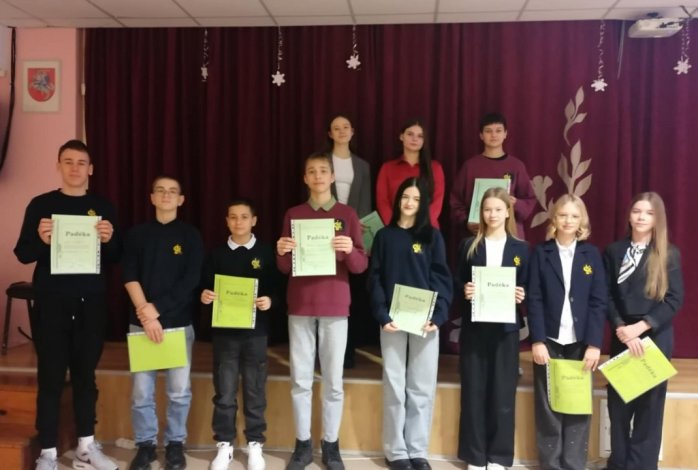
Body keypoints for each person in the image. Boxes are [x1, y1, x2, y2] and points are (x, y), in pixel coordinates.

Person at [14, 139, 120, 470]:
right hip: (52, 302)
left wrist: (109, 240)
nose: (75, 168)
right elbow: (23, 253)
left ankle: (86, 446)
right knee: (50, 377)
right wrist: (42, 239)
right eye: (68, 161)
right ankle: (47, 452)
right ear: (58, 166)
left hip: (91, 303)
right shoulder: (41, 205)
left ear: (91, 169)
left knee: (86, 376)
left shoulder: (103, 207)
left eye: (81, 162)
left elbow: (116, 257)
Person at [276, 152, 368, 470]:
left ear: (332, 177)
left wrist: (349, 251)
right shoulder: (294, 214)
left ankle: (331, 445)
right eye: (312, 171)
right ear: (305, 178)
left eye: (323, 171)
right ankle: (302, 444)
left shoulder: (347, 214)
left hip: (335, 306)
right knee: (300, 380)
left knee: (333, 381)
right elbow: (284, 266)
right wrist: (281, 250)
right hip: (301, 305)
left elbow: (360, 265)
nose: (317, 176)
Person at [368, 177, 453, 470]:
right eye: (406, 197)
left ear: (423, 204)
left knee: (421, 386)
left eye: (416, 199)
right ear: (398, 200)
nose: (409, 203)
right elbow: (375, 279)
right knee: (394, 385)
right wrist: (382, 314)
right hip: (392, 321)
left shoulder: (432, 237)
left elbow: (441, 277)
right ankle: (396, 451)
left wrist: (437, 316)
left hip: (425, 323)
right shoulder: (384, 236)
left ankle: (417, 449)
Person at [122, 176, 204, 470]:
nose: (166, 195)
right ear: (152, 197)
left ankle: (174, 445)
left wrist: (157, 310)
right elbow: (129, 275)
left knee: (179, 392)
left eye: (172, 191)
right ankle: (145, 446)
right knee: (141, 393)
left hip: (178, 324)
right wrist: (146, 314)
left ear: (181, 200)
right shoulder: (137, 234)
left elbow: (191, 280)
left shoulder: (191, 235)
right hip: (141, 324)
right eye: (160, 190)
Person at [603, 192, 684, 470]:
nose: (641, 217)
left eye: (649, 213)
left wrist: (642, 326)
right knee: (619, 407)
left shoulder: (668, 254)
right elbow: (606, 296)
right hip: (623, 335)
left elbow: (674, 299)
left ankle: (642, 466)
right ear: (629, 215)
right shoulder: (614, 251)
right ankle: (618, 464)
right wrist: (620, 327)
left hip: (654, 337)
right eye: (637, 211)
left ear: (657, 218)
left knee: (649, 409)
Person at [527, 194, 606, 470]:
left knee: (577, 402)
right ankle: (550, 464)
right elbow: (534, 298)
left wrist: (594, 344)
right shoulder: (541, 253)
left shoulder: (591, 255)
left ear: (582, 220)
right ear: (554, 219)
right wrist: (537, 340)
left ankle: (573, 464)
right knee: (548, 404)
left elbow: (598, 301)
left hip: (580, 341)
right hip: (549, 340)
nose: (568, 221)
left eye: (574, 216)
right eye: (563, 215)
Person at [201, 198, 279, 470]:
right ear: (226, 221)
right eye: (233, 217)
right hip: (225, 334)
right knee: (224, 391)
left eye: (244, 217)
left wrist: (271, 300)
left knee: (255, 389)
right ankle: (225, 443)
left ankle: (255, 442)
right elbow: (204, 286)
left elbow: (277, 287)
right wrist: (205, 295)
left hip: (256, 333)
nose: (238, 222)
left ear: (254, 220)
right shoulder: (217, 254)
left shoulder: (266, 252)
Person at [456, 187, 528, 470]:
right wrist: (465, 289)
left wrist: (521, 294)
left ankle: (498, 457)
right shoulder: (469, 246)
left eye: (498, 209)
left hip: (506, 331)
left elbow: (529, 286)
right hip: (475, 328)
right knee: (473, 391)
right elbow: (456, 281)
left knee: (503, 393)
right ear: (481, 212)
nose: (492, 214)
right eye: (487, 209)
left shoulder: (521, 248)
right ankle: (475, 457)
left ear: (508, 212)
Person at [324, 113, 373, 369]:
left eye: (346, 127)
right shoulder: (322, 162)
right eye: (336, 128)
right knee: (329, 291)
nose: (342, 131)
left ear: (352, 131)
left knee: (351, 293)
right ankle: (326, 353)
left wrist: (356, 224)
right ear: (330, 134)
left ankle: (348, 351)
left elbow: (365, 201)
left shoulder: (362, 165)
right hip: (325, 235)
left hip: (354, 234)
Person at [450, 112, 536, 238]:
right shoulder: (470, 166)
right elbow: (455, 201)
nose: (494, 135)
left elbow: (529, 200)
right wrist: (466, 221)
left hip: (510, 235)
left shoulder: (516, 166)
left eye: (498, 130)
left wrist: (515, 203)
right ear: (481, 135)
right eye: (488, 131)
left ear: (505, 133)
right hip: (478, 235)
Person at [375, 119, 445, 228]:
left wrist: (421, 226)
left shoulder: (435, 168)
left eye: (420, 136)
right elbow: (382, 201)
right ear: (401, 136)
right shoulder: (388, 168)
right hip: (395, 230)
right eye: (410, 134)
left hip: (426, 229)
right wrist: (396, 226)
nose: (414, 139)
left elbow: (437, 202)